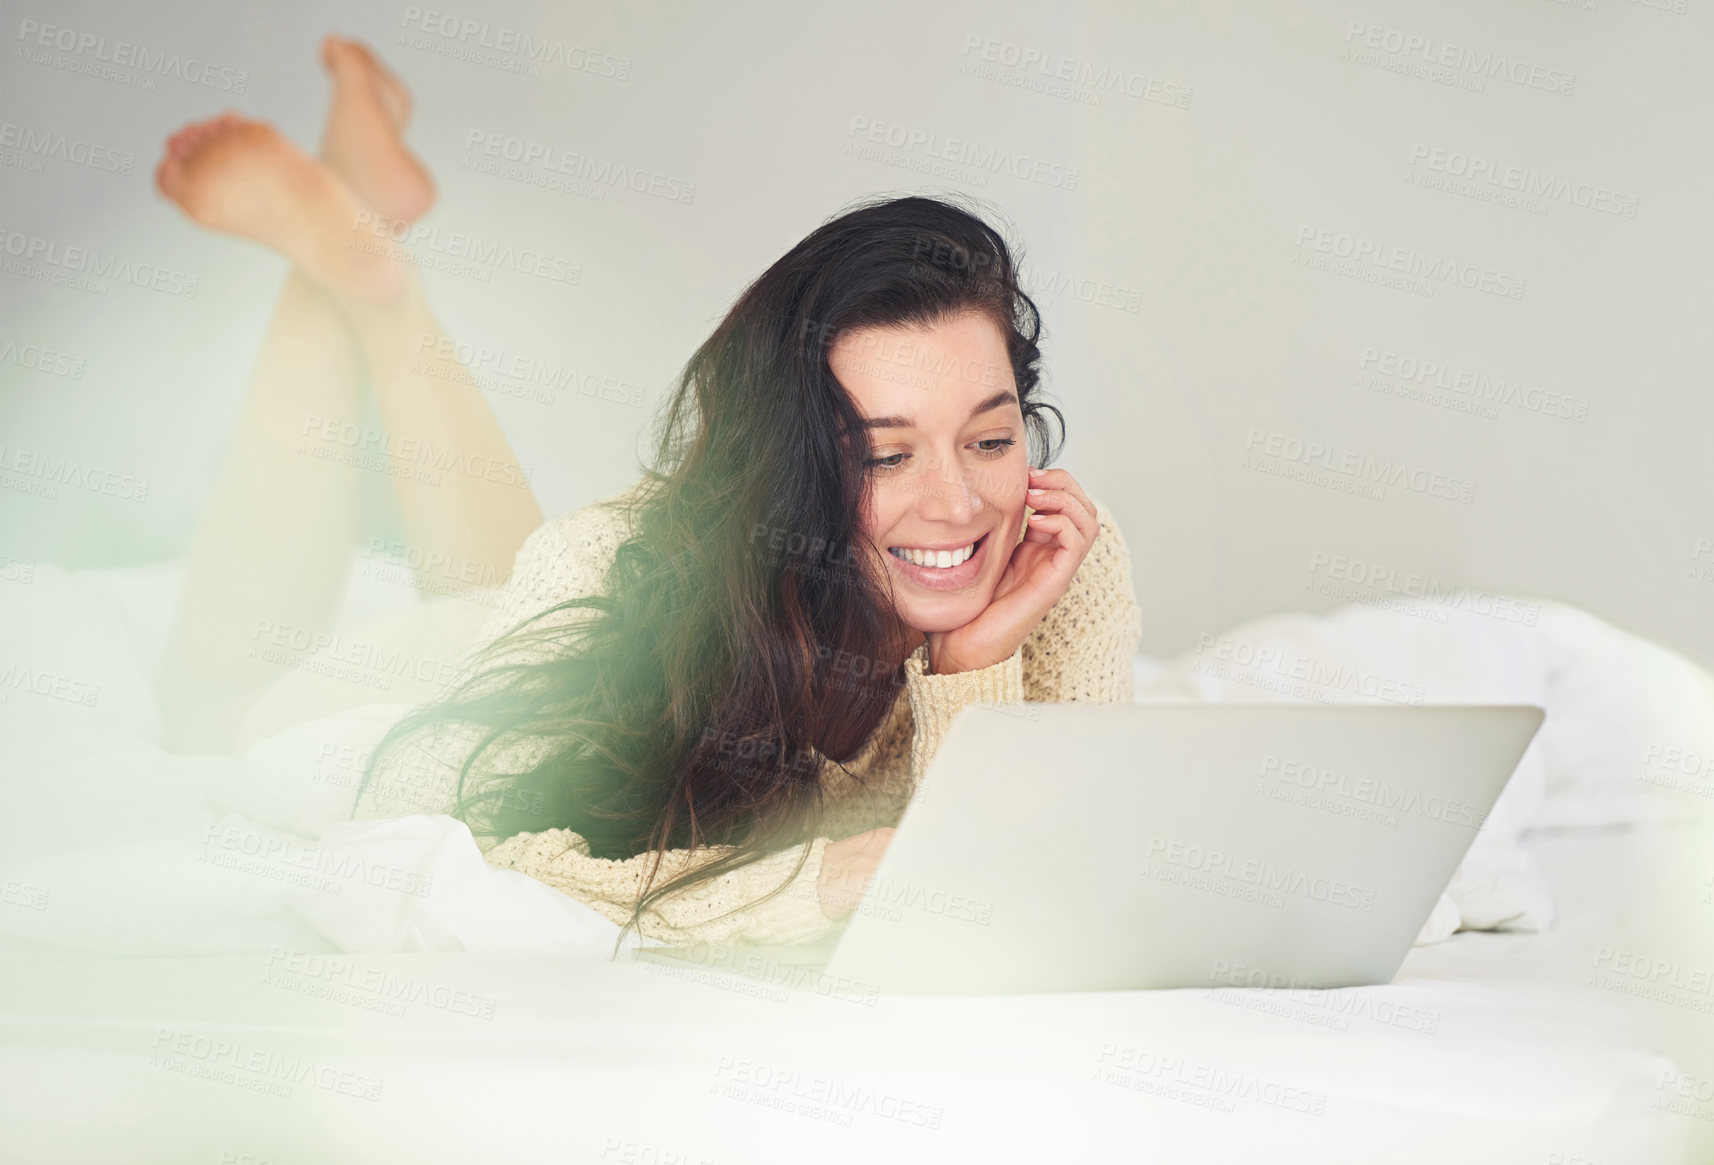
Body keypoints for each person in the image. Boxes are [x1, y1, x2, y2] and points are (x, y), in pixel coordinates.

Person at [156, 38, 1142, 951]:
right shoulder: (603, 569)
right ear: (795, 456)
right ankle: (360, 276)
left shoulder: (1056, 559)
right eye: (883, 455)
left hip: (553, 618)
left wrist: (971, 665)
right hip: (431, 690)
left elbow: (1015, 898)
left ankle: (372, 264)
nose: (959, 501)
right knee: (217, 707)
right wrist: (819, 881)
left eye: (990, 437)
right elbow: (461, 842)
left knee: (522, 569)